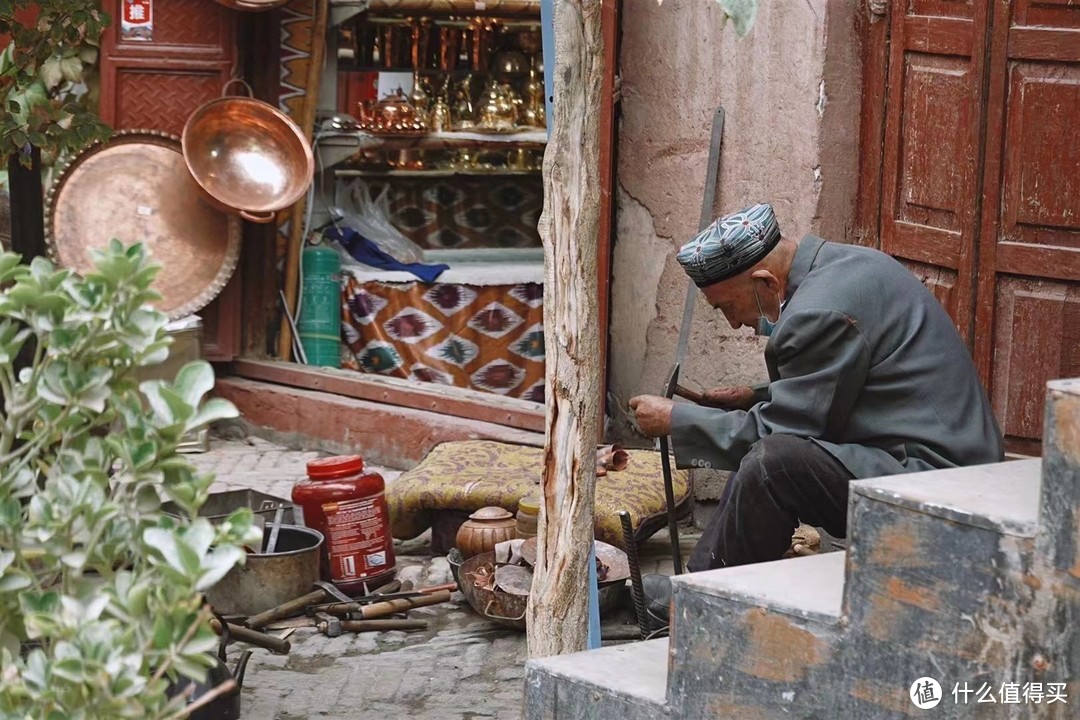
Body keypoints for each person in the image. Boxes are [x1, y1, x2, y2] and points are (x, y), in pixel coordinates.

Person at [628, 202, 1003, 622]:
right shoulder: (847, 265)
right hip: (947, 460)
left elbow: (778, 432)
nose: (734, 323)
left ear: (765, 282)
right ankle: (711, 578)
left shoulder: (818, 311)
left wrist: (675, 419)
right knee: (767, 452)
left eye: (727, 308)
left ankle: (699, 605)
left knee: (772, 463)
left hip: (939, 480)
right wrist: (754, 396)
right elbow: (853, 380)